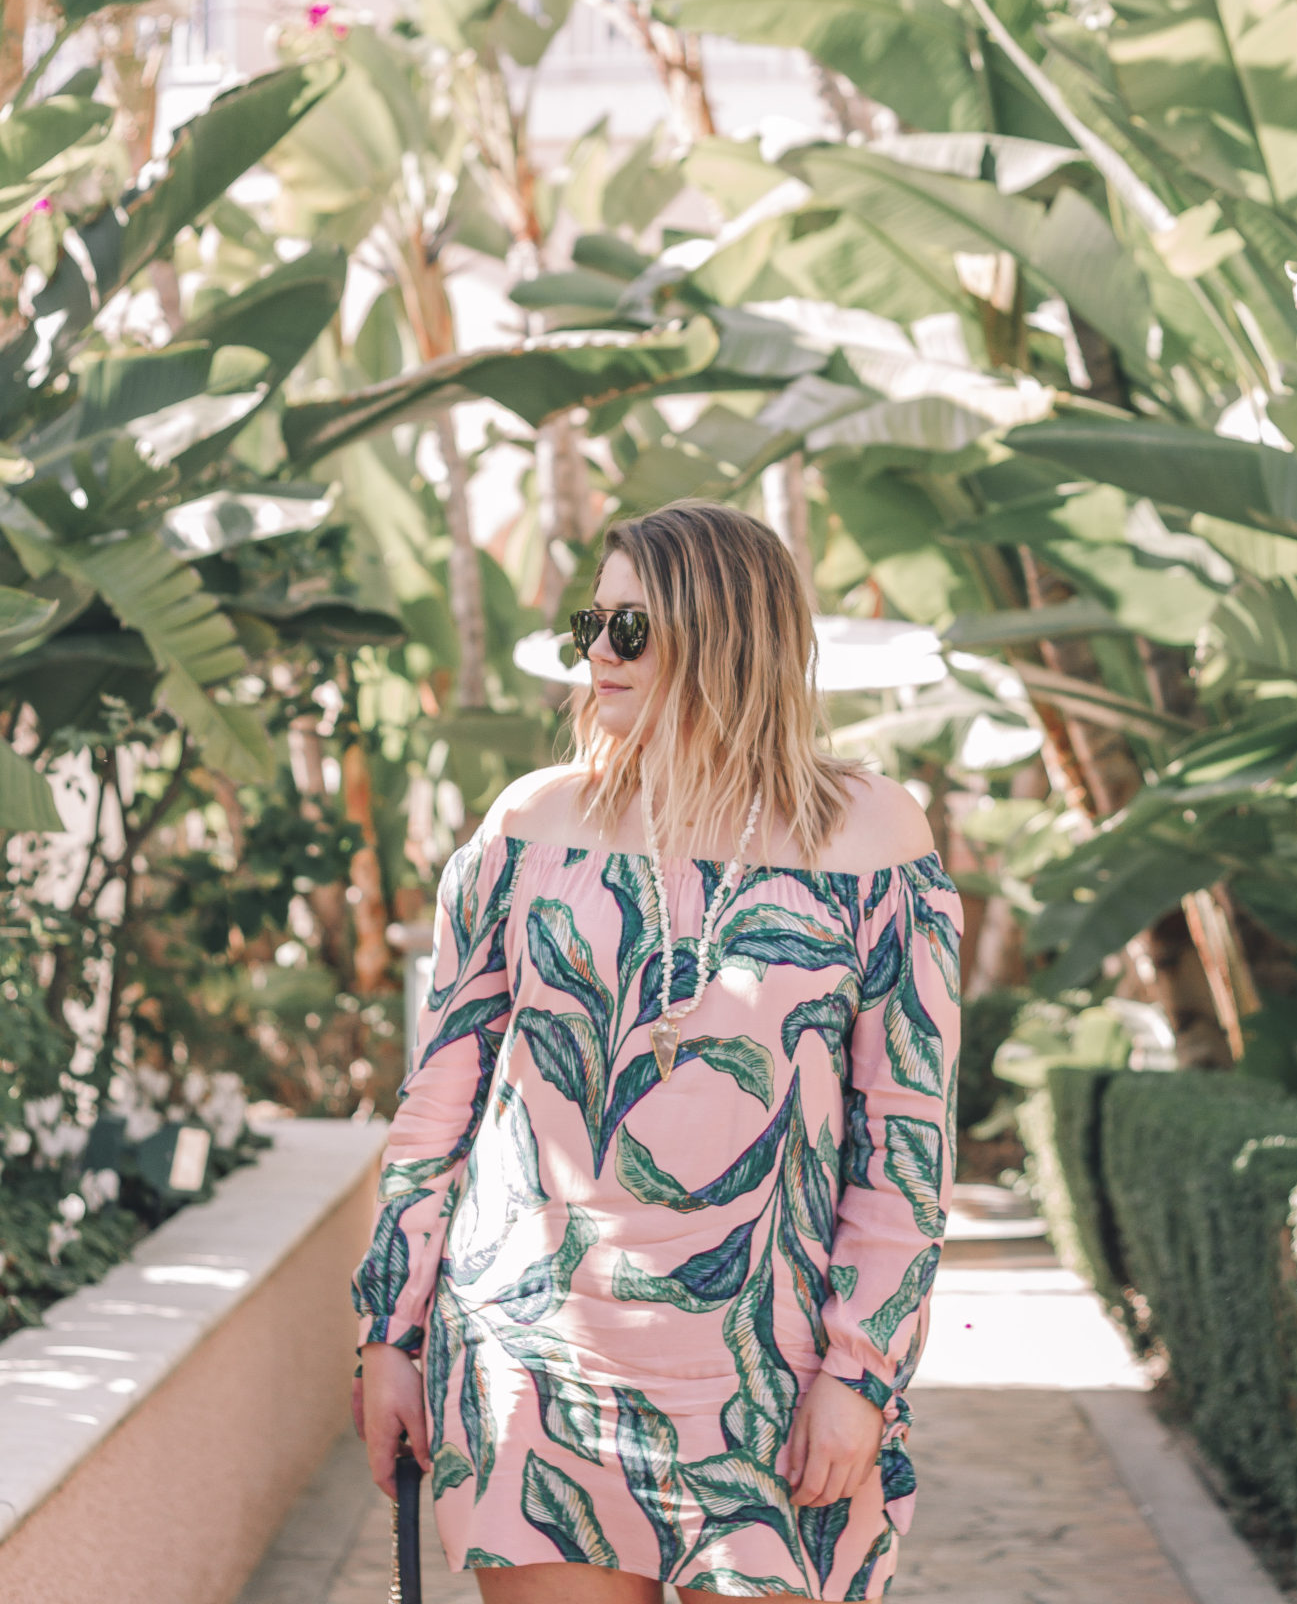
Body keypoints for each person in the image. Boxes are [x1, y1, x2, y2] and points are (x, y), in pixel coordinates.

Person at [352, 499, 962, 1601]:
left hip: (767, 1379)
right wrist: (387, 1332)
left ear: (725, 634)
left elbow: (903, 1139)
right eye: (591, 623)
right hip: (534, 1362)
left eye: (629, 628)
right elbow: (436, 1103)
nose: (596, 652)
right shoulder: (533, 826)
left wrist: (862, 1374)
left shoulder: (872, 840)